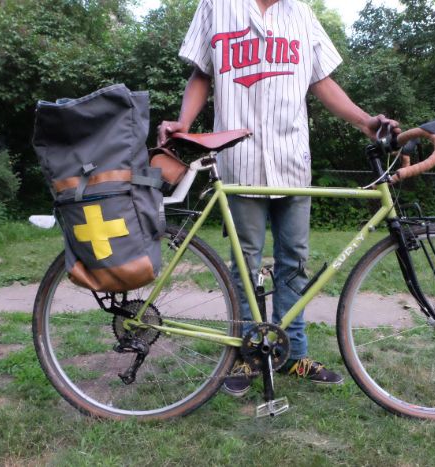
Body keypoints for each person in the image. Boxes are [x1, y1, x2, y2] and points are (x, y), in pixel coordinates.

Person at [158, 0, 399, 397]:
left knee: (295, 262)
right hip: (240, 162)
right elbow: (202, 72)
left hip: (292, 161)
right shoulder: (217, 7)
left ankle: (291, 354)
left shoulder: (301, 14)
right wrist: (184, 122)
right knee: (244, 263)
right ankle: (247, 352)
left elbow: (322, 81)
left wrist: (365, 122)